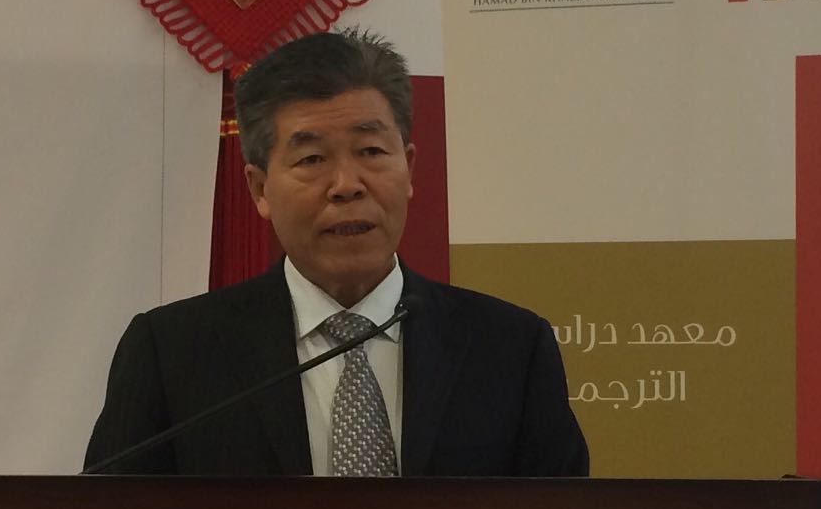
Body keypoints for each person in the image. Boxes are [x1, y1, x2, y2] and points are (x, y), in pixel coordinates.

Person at [84, 28, 588, 477]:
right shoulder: (172, 353)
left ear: (409, 169)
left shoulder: (510, 349)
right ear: (259, 189)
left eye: (371, 152)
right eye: (311, 158)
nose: (347, 184)